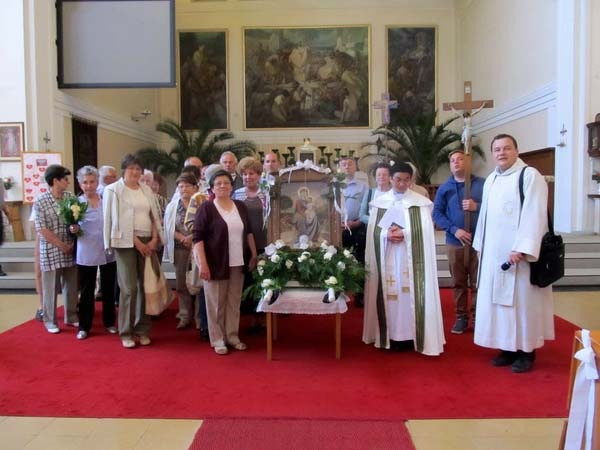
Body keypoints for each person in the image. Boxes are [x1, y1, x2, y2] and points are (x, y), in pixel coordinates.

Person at [473, 134, 554, 373]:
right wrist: (480, 245)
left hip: (518, 257)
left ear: (517, 151)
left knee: (522, 305)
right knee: (500, 305)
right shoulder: (491, 180)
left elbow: (535, 213)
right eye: (497, 149)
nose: (501, 153)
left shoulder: (529, 176)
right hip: (494, 255)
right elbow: (484, 216)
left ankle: (527, 352)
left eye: (507, 148)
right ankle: (507, 348)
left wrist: (522, 247)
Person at [362, 162, 445, 355]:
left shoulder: (420, 202)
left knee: (409, 295)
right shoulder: (379, 203)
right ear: (391, 179)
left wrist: (405, 233)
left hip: (411, 260)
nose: (402, 184)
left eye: (406, 180)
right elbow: (373, 232)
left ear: (411, 180)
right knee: (390, 295)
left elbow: (426, 231)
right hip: (388, 256)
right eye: (398, 179)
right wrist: (386, 235)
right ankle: (390, 335)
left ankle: (411, 336)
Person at [103, 154, 165, 349]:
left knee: (146, 286)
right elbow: (110, 219)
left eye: (138, 169)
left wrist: (154, 239)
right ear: (124, 169)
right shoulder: (113, 190)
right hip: (125, 242)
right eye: (131, 168)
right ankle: (126, 331)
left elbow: (154, 215)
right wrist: (136, 242)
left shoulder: (146, 189)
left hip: (148, 240)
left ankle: (142, 329)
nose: (135, 172)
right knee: (129, 288)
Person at [193, 170, 258, 355]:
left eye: (226, 183)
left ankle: (232, 336)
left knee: (233, 302)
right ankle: (218, 339)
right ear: (212, 188)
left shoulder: (240, 206)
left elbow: (249, 232)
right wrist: (203, 264)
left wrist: (253, 254)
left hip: (238, 262)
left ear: (231, 186)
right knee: (215, 304)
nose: (223, 186)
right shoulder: (206, 208)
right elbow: (198, 238)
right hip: (215, 263)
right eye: (218, 183)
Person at [433, 149, 484, 334]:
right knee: (458, 282)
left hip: (479, 241)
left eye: (460, 159)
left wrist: (476, 206)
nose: (456, 162)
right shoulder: (445, 188)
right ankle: (461, 316)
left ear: (468, 162)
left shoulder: (483, 184)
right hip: (455, 242)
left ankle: (479, 316)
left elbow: (495, 207)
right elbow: (437, 213)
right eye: (452, 160)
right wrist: (455, 230)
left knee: (478, 282)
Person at [33, 165, 79, 334]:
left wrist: (75, 229)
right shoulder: (40, 201)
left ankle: (71, 316)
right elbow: (42, 229)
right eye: (65, 179)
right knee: (51, 286)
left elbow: (77, 220)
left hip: (71, 248)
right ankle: (50, 320)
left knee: (71, 285)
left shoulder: (70, 197)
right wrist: (61, 245)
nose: (68, 182)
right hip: (51, 249)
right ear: (55, 181)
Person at [75, 166, 117, 340]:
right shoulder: (76, 203)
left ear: (97, 182)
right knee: (87, 291)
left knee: (109, 288)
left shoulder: (105, 199)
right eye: (85, 182)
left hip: (107, 249)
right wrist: (72, 228)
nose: (89, 186)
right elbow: (71, 226)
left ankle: (109, 322)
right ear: (80, 184)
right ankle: (84, 326)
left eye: (92, 181)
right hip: (86, 250)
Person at [233, 157, 268, 332]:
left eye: (252, 173)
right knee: (248, 281)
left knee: (264, 281)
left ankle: (263, 316)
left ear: (259, 175)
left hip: (265, 243)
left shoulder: (267, 193)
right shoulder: (236, 194)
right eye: (245, 174)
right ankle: (251, 318)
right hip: (243, 244)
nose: (248, 177)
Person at [163, 172, 199, 330]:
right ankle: (184, 315)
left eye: (187, 186)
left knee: (198, 284)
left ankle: (199, 318)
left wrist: (192, 237)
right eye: (181, 186)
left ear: (195, 188)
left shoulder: (201, 203)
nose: (184, 189)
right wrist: (183, 238)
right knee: (181, 284)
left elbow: (206, 224)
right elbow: (168, 227)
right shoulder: (173, 206)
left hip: (198, 247)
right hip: (180, 248)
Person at [340, 157, 368, 266]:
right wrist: (337, 224)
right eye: (344, 164)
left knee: (357, 259)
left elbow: (366, 208)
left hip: (357, 226)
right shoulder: (334, 186)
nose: (347, 167)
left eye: (350, 164)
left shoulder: (363, 186)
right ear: (340, 168)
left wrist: (357, 222)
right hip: (339, 228)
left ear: (355, 167)